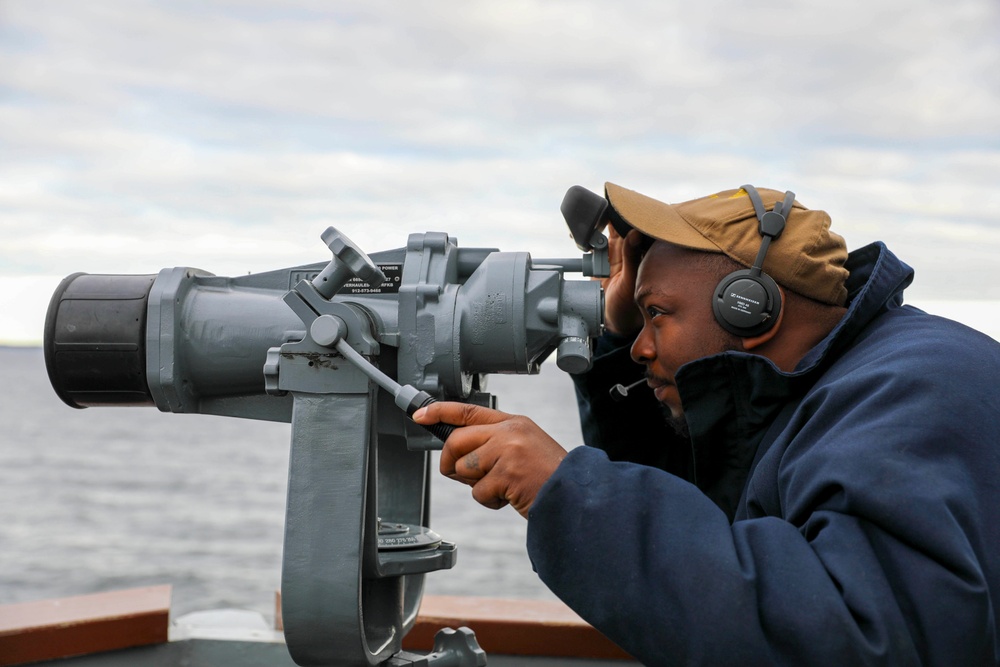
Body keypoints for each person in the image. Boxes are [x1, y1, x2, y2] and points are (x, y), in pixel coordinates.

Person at [413, 183, 1000, 666]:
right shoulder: (828, 387)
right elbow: (711, 511)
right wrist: (618, 340)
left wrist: (566, 491)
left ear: (748, 306)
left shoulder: (912, 394)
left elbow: (860, 640)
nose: (640, 346)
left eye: (657, 314)